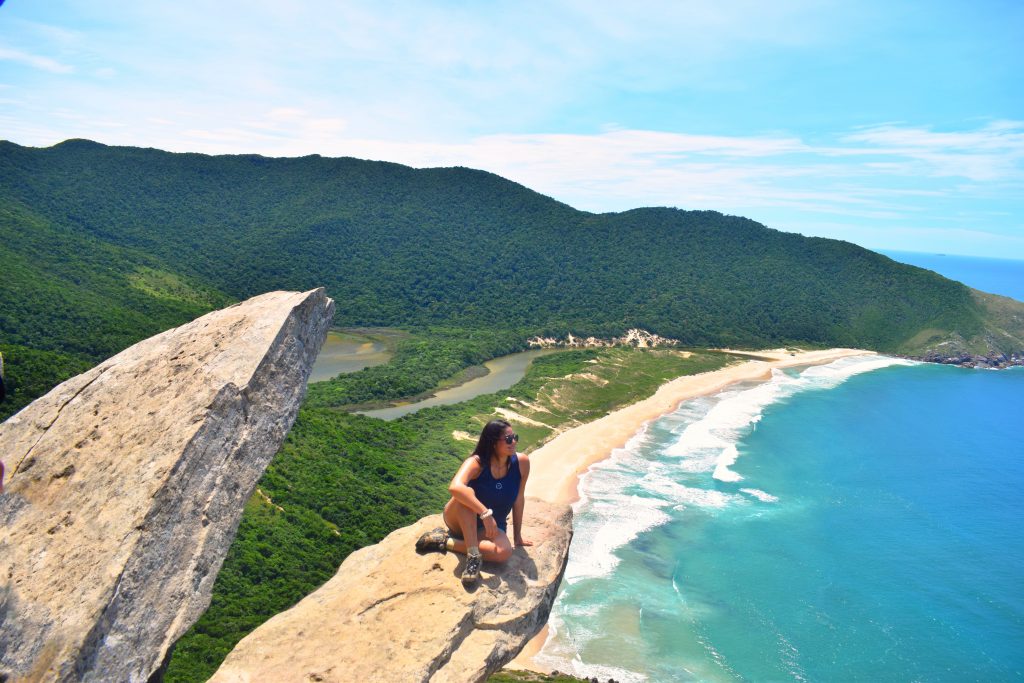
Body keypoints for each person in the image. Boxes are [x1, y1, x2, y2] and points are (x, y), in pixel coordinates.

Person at [416, 419, 533, 585]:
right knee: (467, 492)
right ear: (493, 443)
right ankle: (473, 556)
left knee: (504, 552)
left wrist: (518, 536)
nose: (513, 442)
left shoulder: (521, 463)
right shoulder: (477, 463)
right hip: (459, 518)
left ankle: (445, 541)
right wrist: (485, 514)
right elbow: (455, 487)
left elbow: (519, 498)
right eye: (508, 439)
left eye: (515, 437)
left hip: (490, 526)